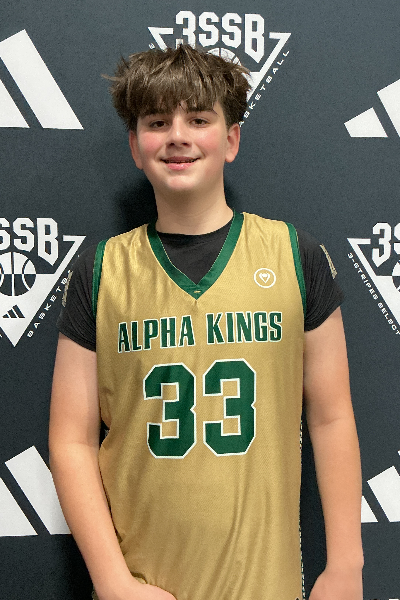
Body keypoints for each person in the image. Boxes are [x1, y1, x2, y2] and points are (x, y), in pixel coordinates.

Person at [49, 45, 363, 600]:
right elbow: (71, 439)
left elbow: (332, 417)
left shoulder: (295, 256)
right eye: (156, 122)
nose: (178, 136)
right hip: (143, 584)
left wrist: (346, 564)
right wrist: (113, 583)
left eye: (198, 119)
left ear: (232, 139)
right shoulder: (102, 271)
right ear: (134, 146)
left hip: (266, 585)